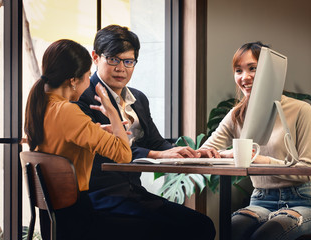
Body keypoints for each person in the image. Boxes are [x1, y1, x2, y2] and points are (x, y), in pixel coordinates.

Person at [76, 24, 216, 240]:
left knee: (202, 225)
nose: (121, 68)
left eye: (128, 61)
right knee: (189, 228)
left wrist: (186, 152)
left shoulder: (138, 99)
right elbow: (106, 152)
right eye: (113, 59)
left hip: (135, 195)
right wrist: (157, 155)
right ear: (95, 57)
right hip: (101, 197)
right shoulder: (83, 98)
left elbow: (157, 143)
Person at [199, 41, 311, 240]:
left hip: (303, 201)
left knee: (266, 235)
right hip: (260, 201)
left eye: (252, 69)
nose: (244, 77)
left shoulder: (300, 109)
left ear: (270, 73)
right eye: (238, 70)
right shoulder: (237, 115)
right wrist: (228, 153)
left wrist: (259, 159)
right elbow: (205, 153)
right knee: (230, 231)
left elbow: (306, 169)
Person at [24, 39, 132, 239]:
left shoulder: (41, 105)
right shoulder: (67, 110)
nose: (89, 83)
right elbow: (124, 155)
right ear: (73, 80)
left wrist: (97, 130)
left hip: (55, 220)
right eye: (87, 76)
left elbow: (63, 138)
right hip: (79, 219)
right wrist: (112, 111)